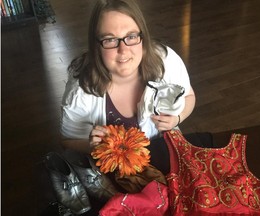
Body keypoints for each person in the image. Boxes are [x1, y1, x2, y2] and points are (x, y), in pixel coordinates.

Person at [60, 0, 196, 157]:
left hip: (166, 155)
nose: (123, 50)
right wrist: (93, 146)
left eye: (131, 36)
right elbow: (67, 141)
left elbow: (189, 96)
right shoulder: (81, 89)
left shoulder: (166, 61)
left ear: (142, 37)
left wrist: (177, 118)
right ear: (96, 45)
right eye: (110, 39)